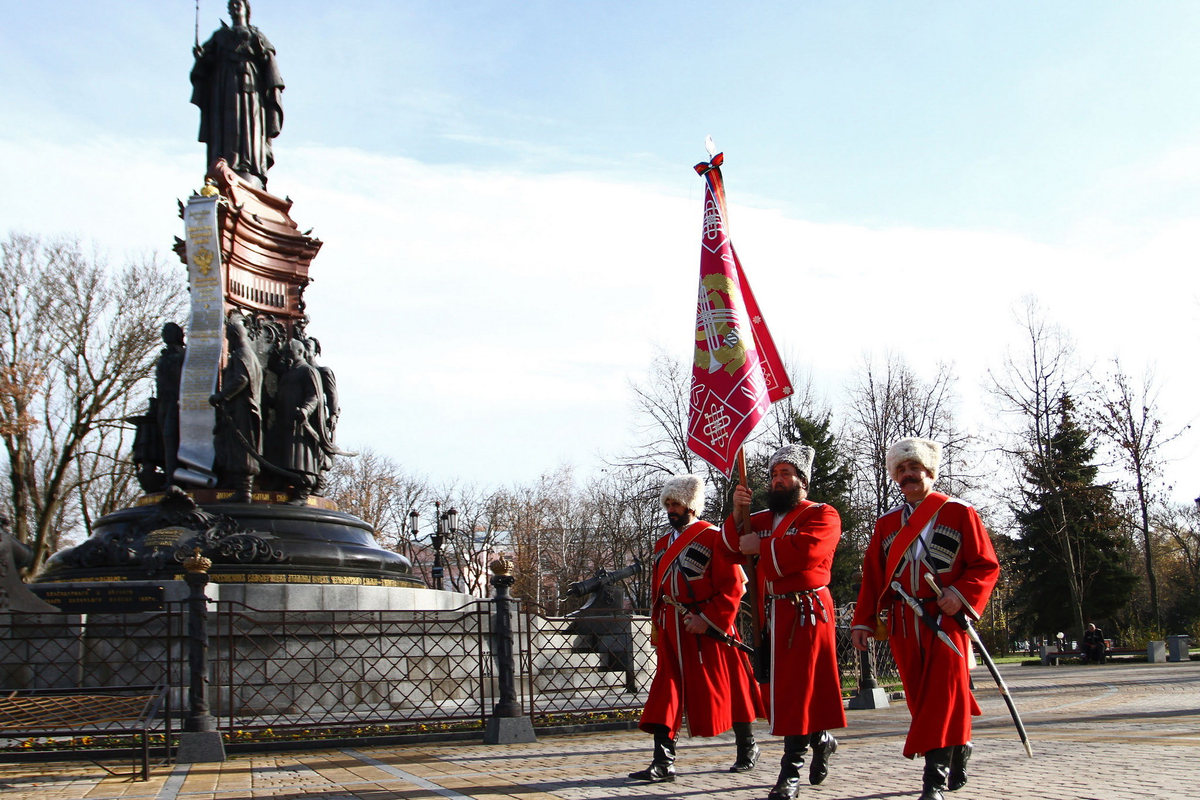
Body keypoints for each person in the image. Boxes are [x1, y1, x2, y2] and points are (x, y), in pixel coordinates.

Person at [851, 438, 1000, 800]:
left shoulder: (960, 512)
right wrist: (863, 621)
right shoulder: (887, 524)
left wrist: (960, 594)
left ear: (930, 472)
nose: (908, 475)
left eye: (914, 468)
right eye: (901, 470)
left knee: (942, 696)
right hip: (903, 621)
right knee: (920, 699)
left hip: (946, 620)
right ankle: (959, 744)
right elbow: (873, 575)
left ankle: (933, 781)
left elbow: (985, 565)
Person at [722, 444, 846, 800]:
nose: (778, 481)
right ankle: (820, 738)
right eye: (774, 475)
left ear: (802, 481)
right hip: (770, 613)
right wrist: (736, 511)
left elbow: (808, 552)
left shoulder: (822, 514)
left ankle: (789, 773)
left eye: (786, 474)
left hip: (806, 611)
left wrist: (761, 548)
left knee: (797, 691)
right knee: (784, 692)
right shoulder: (758, 519)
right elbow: (728, 548)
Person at [630, 474, 764, 784]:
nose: (671, 509)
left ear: (691, 505)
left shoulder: (715, 537)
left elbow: (733, 588)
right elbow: (658, 588)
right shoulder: (663, 544)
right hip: (672, 629)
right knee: (666, 691)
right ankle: (663, 762)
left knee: (731, 688)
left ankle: (748, 747)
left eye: (676, 503)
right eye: (668, 504)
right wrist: (657, 623)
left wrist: (708, 619)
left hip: (709, 629)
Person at [191, 0, 285, 188]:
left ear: (246, 10)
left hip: (249, 88)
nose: (234, 8)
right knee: (224, 126)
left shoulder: (255, 35)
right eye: (231, 5)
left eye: (238, 4)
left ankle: (249, 166)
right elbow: (206, 62)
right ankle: (222, 165)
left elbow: (269, 64)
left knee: (248, 125)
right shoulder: (219, 36)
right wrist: (201, 58)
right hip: (223, 87)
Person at [209, 318, 263, 503]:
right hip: (241, 409)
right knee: (228, 445)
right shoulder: (248, 354)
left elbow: (241, 379)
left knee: (241, 448)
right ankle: (237, 486)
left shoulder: (242, 354)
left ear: (233, 336)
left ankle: (243, 491)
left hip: (242, 410)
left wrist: (222, 395)